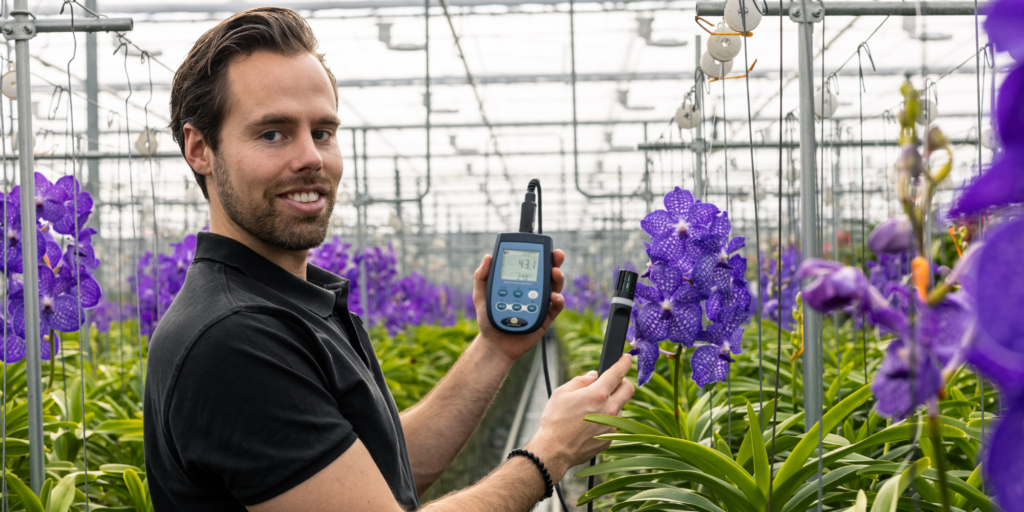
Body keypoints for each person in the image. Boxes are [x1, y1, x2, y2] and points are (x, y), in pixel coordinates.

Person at [144, 7, 635, 512]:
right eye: (273, 133)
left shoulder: (283, 302)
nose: (311, 156)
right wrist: (549, 453)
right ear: (200, 148)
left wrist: (495, 349)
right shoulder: (235, 338)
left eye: (324, 131)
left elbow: (372, 475)